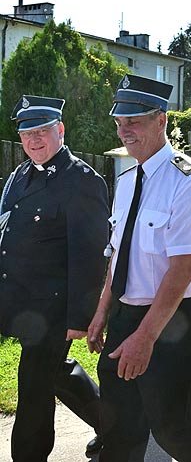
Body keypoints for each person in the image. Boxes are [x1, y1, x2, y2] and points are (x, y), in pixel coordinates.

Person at [87, 74, 191, 462]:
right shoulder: (125, 180)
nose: (125, 130)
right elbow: (118, 254)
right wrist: (104, 311)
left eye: (134, 121)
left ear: (161, 121)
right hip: (125, 311)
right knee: (118, 424)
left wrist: (145, 337)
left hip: (172, 322)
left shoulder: (189, 181)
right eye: (120, 122)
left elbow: (182, 269)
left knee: (174, 429)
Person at [0, 95, 109, 461]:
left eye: (42, 131)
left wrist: (81, 318)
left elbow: (91, 254)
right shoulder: (21, 174)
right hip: (21, 301)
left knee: (33, 383)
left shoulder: (79, 180)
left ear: (60, 130)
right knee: (54, 374)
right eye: (27, 132)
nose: (33, 140)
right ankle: (112, 424)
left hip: (55, 308)